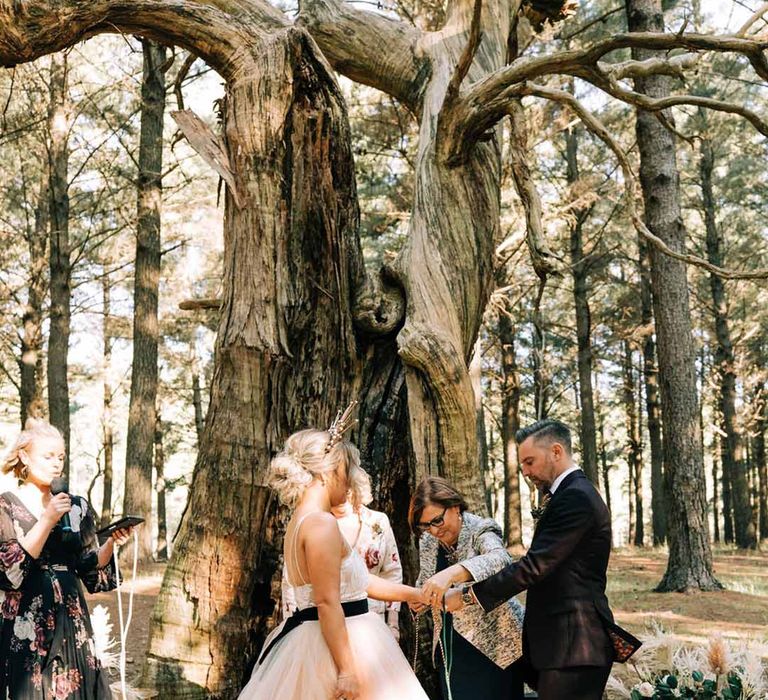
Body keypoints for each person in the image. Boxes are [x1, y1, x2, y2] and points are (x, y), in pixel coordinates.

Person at [238, 409, 429, 700]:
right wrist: (348, 671)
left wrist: (417, 595)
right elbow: (327, 602)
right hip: (339, 648)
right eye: (347, 473)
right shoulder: (321, 524)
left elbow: (360, 583)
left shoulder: (301, 521)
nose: (350, 483)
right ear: (330, 472)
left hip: (314, 639)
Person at [445, 419, 627, 700]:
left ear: (556, 451)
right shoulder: (567, 495)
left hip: (574, 644)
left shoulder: (576, 498)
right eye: (523, 464)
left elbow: (534, 567)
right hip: (560, 645)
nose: (526, 471)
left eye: (530, 462)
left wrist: (469, 596)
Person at [0, 419, 134, 699]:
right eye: (47, 456)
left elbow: (90, 569)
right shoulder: (6, 505)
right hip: (27, 622)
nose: (56, 464)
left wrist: (111, 542)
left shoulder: (77, 506)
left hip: (72, 618)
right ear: (24, 456)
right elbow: (10, 573)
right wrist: (48, 519)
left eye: (60, 457)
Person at [408, 476, 525, 700]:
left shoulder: (481, 529)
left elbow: (500, 559)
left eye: (437, 521)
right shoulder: (428, 541)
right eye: (425, 525)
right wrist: (419, 598)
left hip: (495, 648)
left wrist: (452, 573)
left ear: (454, 507)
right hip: (450, 647)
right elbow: (425, 580)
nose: (433, 530)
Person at [282, 494, 403, 639]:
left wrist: (393, 623)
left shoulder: (377, 521)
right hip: (320, 625)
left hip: (370, 623)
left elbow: (392, 571)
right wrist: (290, 624)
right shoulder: (314, 524)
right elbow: (290, 580)